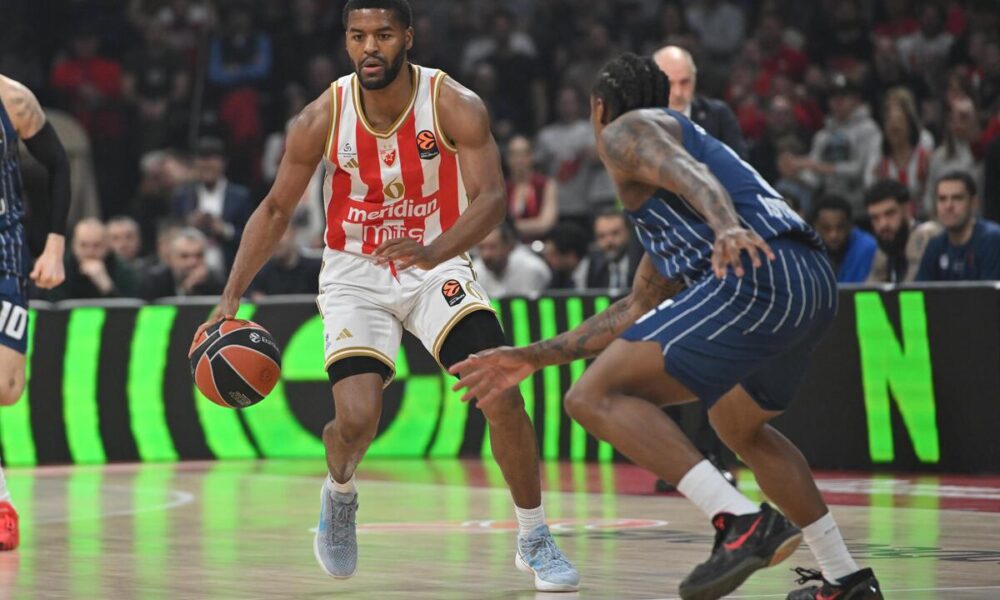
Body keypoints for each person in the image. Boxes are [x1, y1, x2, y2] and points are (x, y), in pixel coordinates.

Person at [451, 54, 882, 600]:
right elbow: (634, 309)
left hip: (761, 273)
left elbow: (690, 173)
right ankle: (844, 579)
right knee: (736, 423)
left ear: (598, 107)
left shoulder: (626, 132)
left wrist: (726, 227)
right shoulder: (665, 207)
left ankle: (739, 520)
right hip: (812, 285)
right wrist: (531, 357)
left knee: (593, 397)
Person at [193, 1, 578, 591]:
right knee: (356, 420)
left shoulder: (454, 103)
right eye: (357, 36)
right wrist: (230, 295)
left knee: (501, 392)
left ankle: (534, 536)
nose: (369, 46)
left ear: (407, 38)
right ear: (346, 42)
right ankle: (340, 493)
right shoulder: (321, 117)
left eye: (382, 34)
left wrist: (434, 250)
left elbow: (493, 199)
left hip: (435, 259)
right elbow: (275, 208)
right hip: (354, 270)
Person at [0, 74, 72, 551]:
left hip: (5, 249)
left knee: (6, 389)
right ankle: (2, 502)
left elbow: (58, 164)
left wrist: (54, 245)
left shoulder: (13, 98)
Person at [171, 138, 253, 272]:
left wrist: (224, 229)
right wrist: (189, 225)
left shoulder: (240, 196)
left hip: (229, 265)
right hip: (190, 266)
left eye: (211, 164)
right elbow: (171, 233)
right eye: (202, 164)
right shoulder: (182, 195)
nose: (206, 168)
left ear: (223, 163)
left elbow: (251, 237)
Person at [653, 45, 747, 158]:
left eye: (685, 82)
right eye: (669, 83)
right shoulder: (637, 120)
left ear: (694, 79)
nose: (678, 93)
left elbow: (739, 167)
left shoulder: (718, 116)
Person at [917, 171, 1000, 281]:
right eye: (942, 199)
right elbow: (916, 293)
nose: (948, 206)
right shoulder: (935, 244)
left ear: (973, 202)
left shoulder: (992, 239)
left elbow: (990, 296)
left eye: (957, 198)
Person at [864, 180, 941, 283]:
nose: (883, 224)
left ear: (907, 209)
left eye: (890, 213)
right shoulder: (887, 245)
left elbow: (913, 294)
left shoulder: (929, 235)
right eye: (875, 218)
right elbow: (867, 295)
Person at [48, 218, 138, 300]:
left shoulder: (122, 269)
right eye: (83, 245)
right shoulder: (60, 268)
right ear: (74, 245)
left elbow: (128, 312)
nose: (90, 252)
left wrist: (107, 287)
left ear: (107, 246)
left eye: (96, 245)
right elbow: (54, 308)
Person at [140, 228, 224, 299]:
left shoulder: (215, 282)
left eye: (199, 256)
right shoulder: (155, 282)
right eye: (184, 256)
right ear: (171, 259)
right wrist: (184, 291)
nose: (192, 262)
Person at [474, 221, 551, 297]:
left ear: (508, 246)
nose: (486, 255)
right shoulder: (474, 273)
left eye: (492, 247)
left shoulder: (532, 269)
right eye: (481, 248)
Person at [810, 196, 877, 283]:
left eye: (840, 227)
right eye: (826, 228)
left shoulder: (868, 248)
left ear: (850, 225)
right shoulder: (806, 248)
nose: (833, 235)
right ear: (815, 226)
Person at [504, 135, 557, 241]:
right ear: (508, 159)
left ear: (532, 156)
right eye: (514, 155)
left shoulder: (546, 185)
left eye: (523, 154)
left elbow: (545, 223)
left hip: (538, 245)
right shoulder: (502, 188)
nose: (519, 159)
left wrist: (509, 228)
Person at [584, 211, 641, 290]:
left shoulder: (641, 265)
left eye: (615, 233)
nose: (609, 241)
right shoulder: (595, 271)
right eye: (601, 236)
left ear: (628, 233)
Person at [541, 223, 589, 290]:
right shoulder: (557, 276)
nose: (548, 258)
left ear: (571, 256)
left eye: (553, 254)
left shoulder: (599, 272)